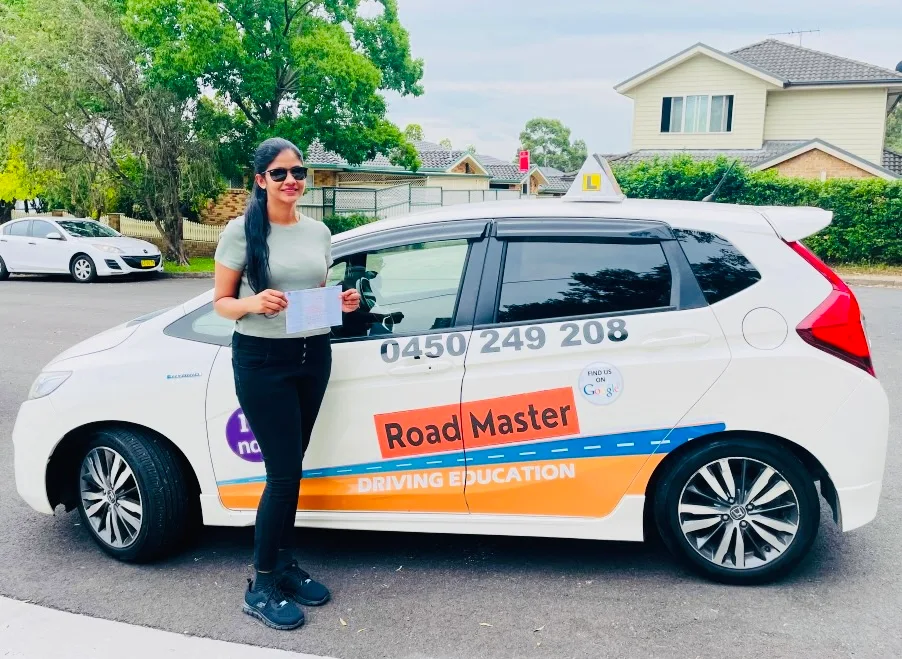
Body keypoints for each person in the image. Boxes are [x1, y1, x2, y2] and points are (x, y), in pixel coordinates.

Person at [212, 137, 360, 631]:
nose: (292, 180)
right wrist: (254, 303)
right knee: (281, 475)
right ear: (261, 180)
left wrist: (339, 304)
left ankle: (285, 563)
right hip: (262, 360)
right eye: (280, 173)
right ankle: (261, 584)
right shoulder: (240, 231)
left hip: (312, 353)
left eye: (298, 171)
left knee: (292, 468)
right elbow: (222, 303)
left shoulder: (319, 231)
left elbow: (313, 293)